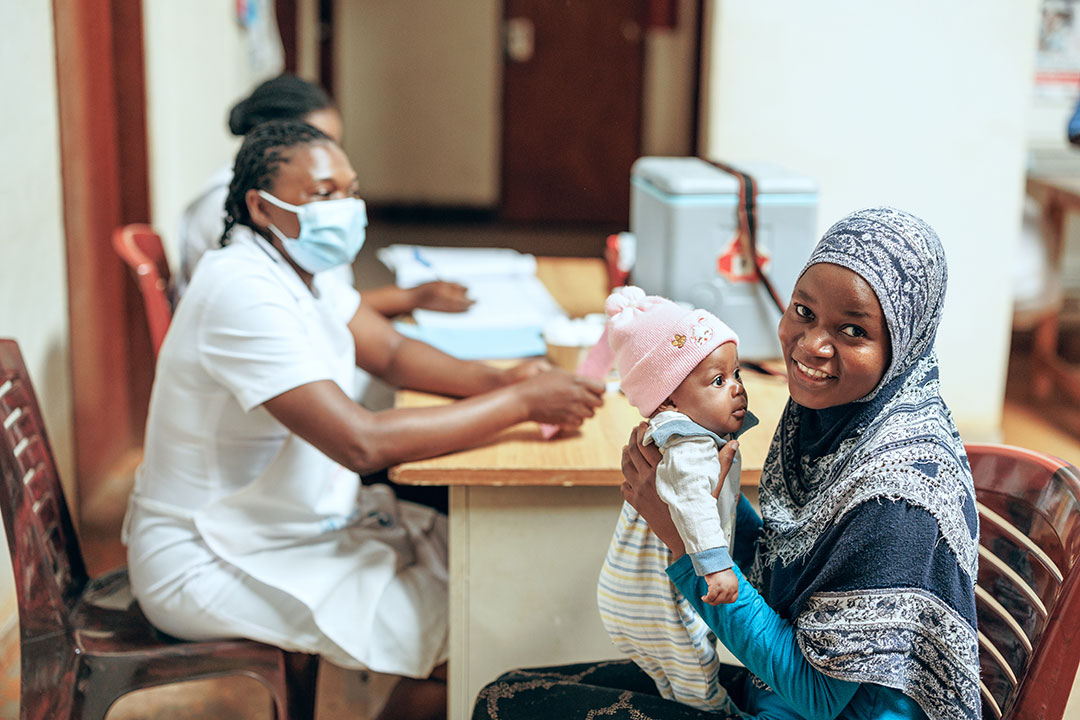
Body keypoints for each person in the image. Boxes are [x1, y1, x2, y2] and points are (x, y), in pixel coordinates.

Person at [123, 120, 605, 720]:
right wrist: (520, 406)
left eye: (350, 191)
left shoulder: (301, 272)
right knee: (477, 635)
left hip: (283, 526)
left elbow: (394, 354)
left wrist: (500, 380)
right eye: (323, 194)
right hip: (207, 556)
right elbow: (360, 442)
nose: (344, 208)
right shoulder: (239, 290)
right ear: (260, 205)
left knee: (488, 581)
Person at [472, 207, 981, 720]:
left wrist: (684, 543)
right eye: (803, 311)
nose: (810, 346)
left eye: (852, 331)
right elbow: (782, 572)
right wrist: (707, 500)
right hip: (776, 692)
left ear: (904, 343)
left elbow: (819, 698)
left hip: (806, 704)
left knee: (503, 706)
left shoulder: (896, 497)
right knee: (512, 690)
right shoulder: (838, 420)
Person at [584, 285, 757, 712]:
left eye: (736, 375)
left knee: (670, 684)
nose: (736, 388)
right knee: (698, 680)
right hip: (661, 601)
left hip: (628, 591)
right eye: (718, 381)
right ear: (669, 400)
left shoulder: (666, 434)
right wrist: (716, 568)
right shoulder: (689, 444)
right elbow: (694, 503)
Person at [177, 72, 470, 320]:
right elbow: (304, 309)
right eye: (314, 144)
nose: (329, 158)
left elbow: (332, 304)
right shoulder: (227, 208)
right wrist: (408, 298)